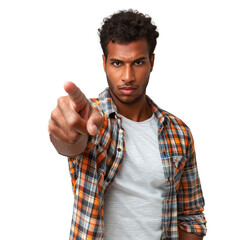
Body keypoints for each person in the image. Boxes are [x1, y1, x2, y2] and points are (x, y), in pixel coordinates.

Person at [48, 9, 207, 240]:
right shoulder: (92, 118)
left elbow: (191, 216)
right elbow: (72, 142)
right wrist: (67, 134)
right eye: (117, 63)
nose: (128, 76)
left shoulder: (179, 133)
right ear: (104, 63)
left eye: (138, 62)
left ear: (152, 62)